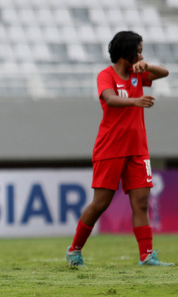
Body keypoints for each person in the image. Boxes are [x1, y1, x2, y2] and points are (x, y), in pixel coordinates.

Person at [66, 31, 173, 267]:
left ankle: (146, 256)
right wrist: (135, 101)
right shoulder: (106, 75)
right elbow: (110, 99)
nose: (141, 54)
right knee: (101, 203)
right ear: (126, 52)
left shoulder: (139, 72)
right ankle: (74, 250)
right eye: (139, 50)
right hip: (110, 148)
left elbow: (165, 73)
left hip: (138, 150)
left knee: (142, 202)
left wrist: (147, 65)